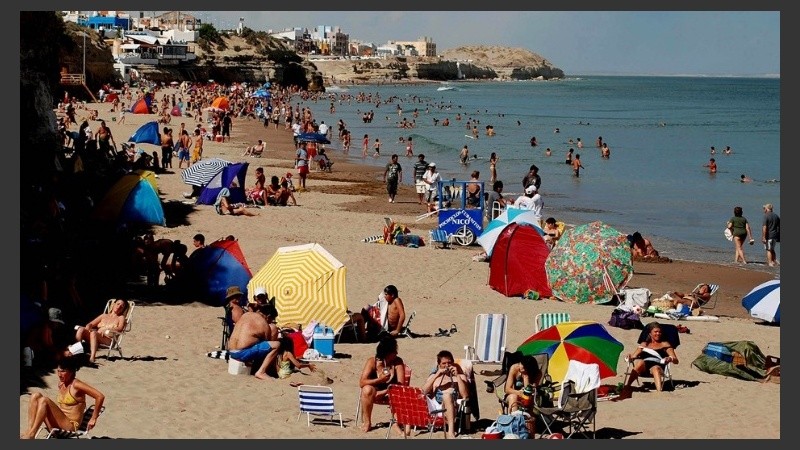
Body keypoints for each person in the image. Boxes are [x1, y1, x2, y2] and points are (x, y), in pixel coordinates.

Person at [20, 357, 105, 439]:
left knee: (44, 400)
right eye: (58, 371)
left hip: (70, 426)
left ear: (71, 371)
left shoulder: (77, 385)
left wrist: (93, 418)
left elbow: (100, 396)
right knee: (35, 395)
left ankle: (32, 434)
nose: (59, 375)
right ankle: (29, 431)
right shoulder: (61, 384)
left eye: (63, 371)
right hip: (57, 424)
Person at [358, 335, 407, 432]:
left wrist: (385, 391)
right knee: (367, 389)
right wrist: (379, 380)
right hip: (374, 393)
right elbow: (362, 382)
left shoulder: (397, 362)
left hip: (391, 392)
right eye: (394, 351)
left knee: (398, 392)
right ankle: (367, 422)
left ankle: (396, 423)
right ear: (386, 353)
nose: (396, 353)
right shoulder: (372, 362)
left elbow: (401, 385)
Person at [227, 301, 282, 380]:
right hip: (242, 353)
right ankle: (261, 372)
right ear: (268, 316)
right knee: (276, 345)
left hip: (231, 351)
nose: (271, 322)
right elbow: (268, 342)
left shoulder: (246, 315)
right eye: (272, 319)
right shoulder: (263, 323)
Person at [620, 322, 678, 398]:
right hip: (644, 368)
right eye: (656, 332)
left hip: (659, 366)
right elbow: (634, 356)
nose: (658, 334)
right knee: (640, 362)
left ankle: (659, 391)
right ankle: (628, 386)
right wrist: (630, 357)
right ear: (650, 333)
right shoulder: (644, 344)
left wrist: (670, 358)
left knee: (655, 368)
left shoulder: (665, 344)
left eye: (660, 332)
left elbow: (676, 360)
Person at [421, 350, 469, 439]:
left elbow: (465, 395)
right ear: (439, 365)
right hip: (435, 408)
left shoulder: (461, 377)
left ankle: (450, 431)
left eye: (449, 363)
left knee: (447, 395)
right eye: (444, 363)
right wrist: (437, 374)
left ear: (453, 363)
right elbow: (423, 392)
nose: (447, 366)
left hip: (452, 407)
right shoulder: (434, 377)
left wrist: (457, 376)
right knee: (416, 393)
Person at [73, 299, 130, 364]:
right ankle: (77, 353)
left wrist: (107, 329)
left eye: (122, 306)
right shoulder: (104, 316)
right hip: (97, 336)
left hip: (109, 339)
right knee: (81, 329)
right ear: (113, 304)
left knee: (94, 333)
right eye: (118, 304)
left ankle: (92, 357)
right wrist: (88, 326)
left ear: (123, 310)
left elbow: (120, 328)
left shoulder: (121, 318)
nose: (119, 306)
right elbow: (91, 324)